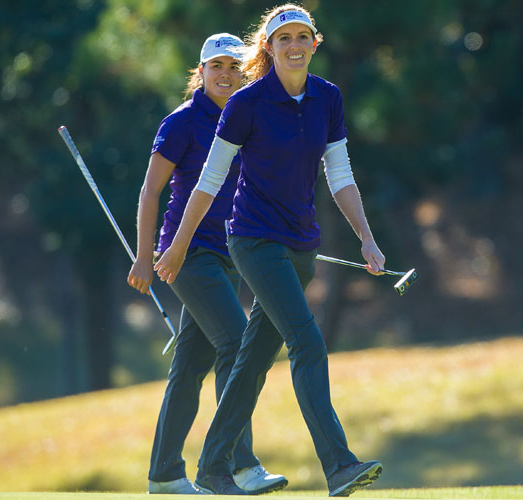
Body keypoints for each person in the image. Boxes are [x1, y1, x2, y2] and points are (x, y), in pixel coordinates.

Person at [154, 4, 384, 497]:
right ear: (269, 47)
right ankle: (338, 464)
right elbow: (208, 183)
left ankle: (214, 467)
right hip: (254, 241)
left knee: (252, 358)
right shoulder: (246, 104)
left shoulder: (327, 98)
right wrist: (175, 248)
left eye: (303, 36)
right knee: (306, 341)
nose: (295, 45)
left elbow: (339, 174)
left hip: (301, 243)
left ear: (314, 44)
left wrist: (365, 236)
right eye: (284, 38)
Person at [127, 33, 287, 496]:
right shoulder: (180, 123)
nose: (225, 75)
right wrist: (143, 256)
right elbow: (150, 191)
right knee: (238, 346)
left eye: (235, 67)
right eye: (216, 66)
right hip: (188, 254)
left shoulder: (247, 120)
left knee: (191, 365)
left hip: (230, 254)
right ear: (200, 72)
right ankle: (238, 466)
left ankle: (164, 475)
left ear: (247, 73)